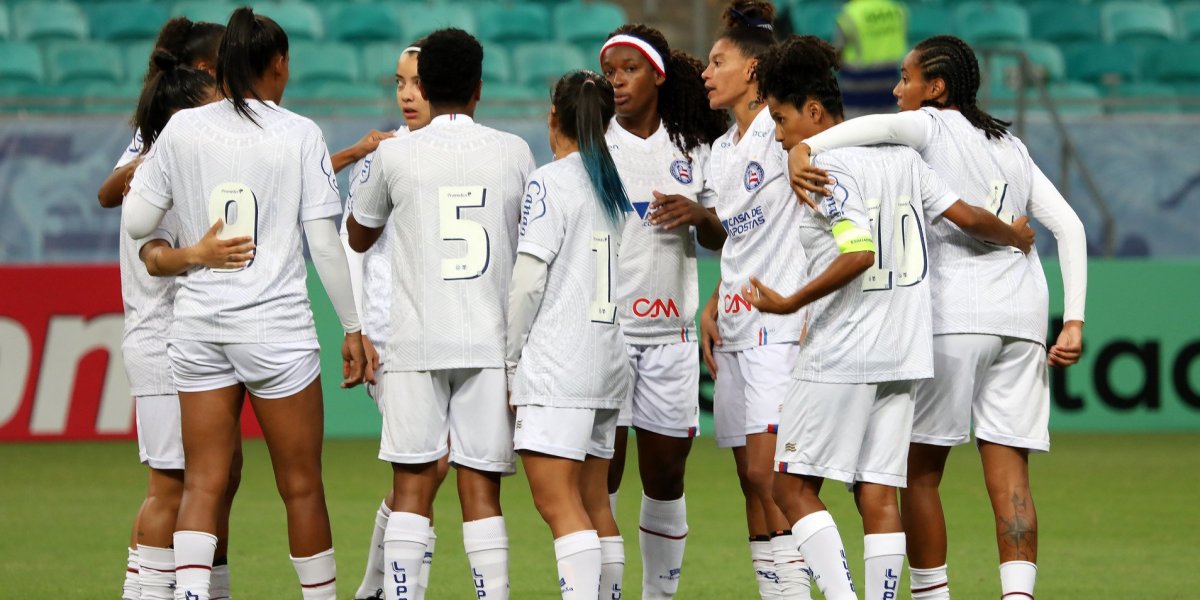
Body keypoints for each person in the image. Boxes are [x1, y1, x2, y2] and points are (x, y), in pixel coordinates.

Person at [787, 34, 1089, 600]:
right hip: (1023, 319)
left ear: (937, 87)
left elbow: (872, 128)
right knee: (1011, 478)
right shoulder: (1011, 145)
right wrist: (1073, 321)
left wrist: (804, 149)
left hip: (954, 316)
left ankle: (932, 594)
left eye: (906, 78)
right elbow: (1070, 227)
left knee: (919, 473)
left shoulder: (928, 126)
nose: (897, 89)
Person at [123, 8, 367, 600]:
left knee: (202, 484)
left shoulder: (183, 130)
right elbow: (324, 245)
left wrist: (189, 244)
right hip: (276, 330)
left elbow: (136, 221)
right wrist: (353, 325)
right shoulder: (299, 133)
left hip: (200, 328)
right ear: (278, 64)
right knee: (301, 486)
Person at [347, 28, 535, 600]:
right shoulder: (515, 152)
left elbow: (358, 236)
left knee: (411, 487)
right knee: (481, 492)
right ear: (479, 88)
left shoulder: (393, 154)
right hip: (489, 343)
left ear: (424, 87)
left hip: (415, 343)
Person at [93, 17, 243, 600]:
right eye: (227, 65)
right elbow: (112, 195)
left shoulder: (187, 149)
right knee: (172, 487)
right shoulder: (162, 150)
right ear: (206, 72)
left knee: (217, 480)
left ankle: (200, 590)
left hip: (196, 337)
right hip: (163, 336)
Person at [597, 23, 728, 599]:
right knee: (603, 474)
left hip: (671, 335)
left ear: (657, 74)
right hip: (606, 332)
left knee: (667, 476)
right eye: (610, 72)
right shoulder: (595, 144)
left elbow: (723, 235)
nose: (618, 81)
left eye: (629, 70)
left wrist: (698, 215)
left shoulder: (693, 147)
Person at [698, 2, 813, 597]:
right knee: (749, 478)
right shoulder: (722, 149)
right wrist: (714, 299)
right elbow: (741, 238)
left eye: (718, 62)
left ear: (752, 69)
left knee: (774, 477)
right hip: (737, 325)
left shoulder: (782, 130)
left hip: (781, 325)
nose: (706, 72)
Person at [506, 69, 632, 600]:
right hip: (607, 361)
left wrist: (510, 359)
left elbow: (529, 281)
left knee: (558, 503)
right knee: (595, 501)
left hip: (560, 364)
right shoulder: (614, 185)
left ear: (553, 115)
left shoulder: (549, 181)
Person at [335, 42, 447, 600]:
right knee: (429, 465)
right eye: (399, 82)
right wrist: (357, 329)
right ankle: (392, 588)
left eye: (417, 83)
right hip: (391, 335)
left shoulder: (459, 151)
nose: (406, 94)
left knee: (426, 470)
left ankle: (375, 588)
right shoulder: (381, 157)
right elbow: (351, 247)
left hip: (447, 335)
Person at [99, 17, 226, 210]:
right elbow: (105, 196)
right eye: (231, 61)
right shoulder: (165, 120)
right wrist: (149, 164)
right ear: (207, 71)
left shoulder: (228, 116)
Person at [835, 0, 908, 117]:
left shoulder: (851, 12)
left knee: (857, 125)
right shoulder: (896, 9)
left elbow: (838, 51)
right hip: (890, 79)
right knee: (887, 123)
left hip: (857, 84)